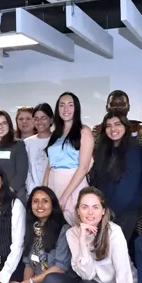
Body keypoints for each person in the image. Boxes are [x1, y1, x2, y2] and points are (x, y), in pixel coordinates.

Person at [0, 186, 74, 283]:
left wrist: (30, 282)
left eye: (45, 201)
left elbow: (60, 268)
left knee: (51, 280)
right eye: (35, 202)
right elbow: (28, 264)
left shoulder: (64, 229)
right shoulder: (31, 228)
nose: (40, 206)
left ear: (52, 204)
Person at [67, 187, 141, 283]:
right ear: (78, 211)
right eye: (85, 207)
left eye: (95, 207)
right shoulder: (72, 234)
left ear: (103, 211)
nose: (90, 212)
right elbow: (87, 275)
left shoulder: (114, 232)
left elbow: (124, 274)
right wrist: (82, 240)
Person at [87, 111, 142, 243]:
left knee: (116, 250)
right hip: (105, 211)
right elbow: (96, 180)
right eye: (108, 126)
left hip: (125, 211)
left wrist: (108, 212)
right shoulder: (104, 149)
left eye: (117, 124)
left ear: (126, 126)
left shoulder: (134, 149)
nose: (113, 129)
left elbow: (129, 186)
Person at [43, 92, 93, 225]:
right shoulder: (56, 133)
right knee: (56, 230)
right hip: (54, 183)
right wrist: (44, 190)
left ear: (76, 108)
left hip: (74, 185)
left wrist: (65, 197)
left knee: (78, 227)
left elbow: (83, 168)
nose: (66, 109)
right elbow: (49, 165)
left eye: (70, 105)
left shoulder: (84, 131)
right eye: (62, 105)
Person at [24, 103, 53, 194]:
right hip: (33, 193)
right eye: (36, 119)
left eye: (43, 118)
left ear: (51, 119)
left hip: (55, 192)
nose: (39, 122)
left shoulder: (58, 141)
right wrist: (34, 191)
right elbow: (26, 171)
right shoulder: (27, 143)